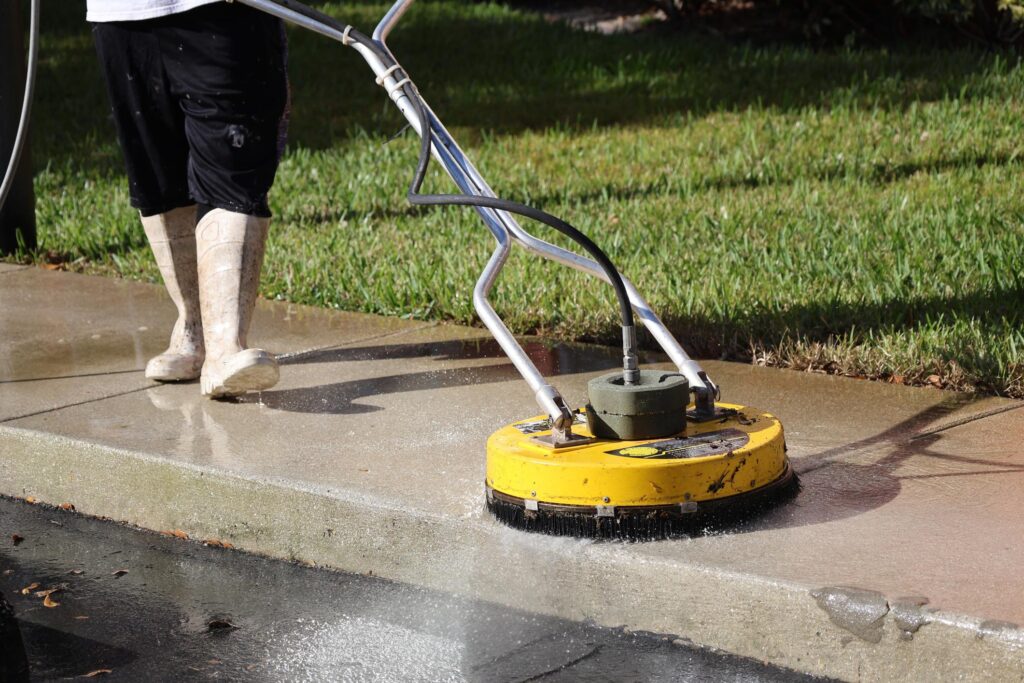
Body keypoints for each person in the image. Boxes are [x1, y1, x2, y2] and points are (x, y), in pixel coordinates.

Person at [87, 0, 288, 397]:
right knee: (157, 178)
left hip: (226, 8)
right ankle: (193, 330)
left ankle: (226, 347)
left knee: (233, 168)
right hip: (121, 14)